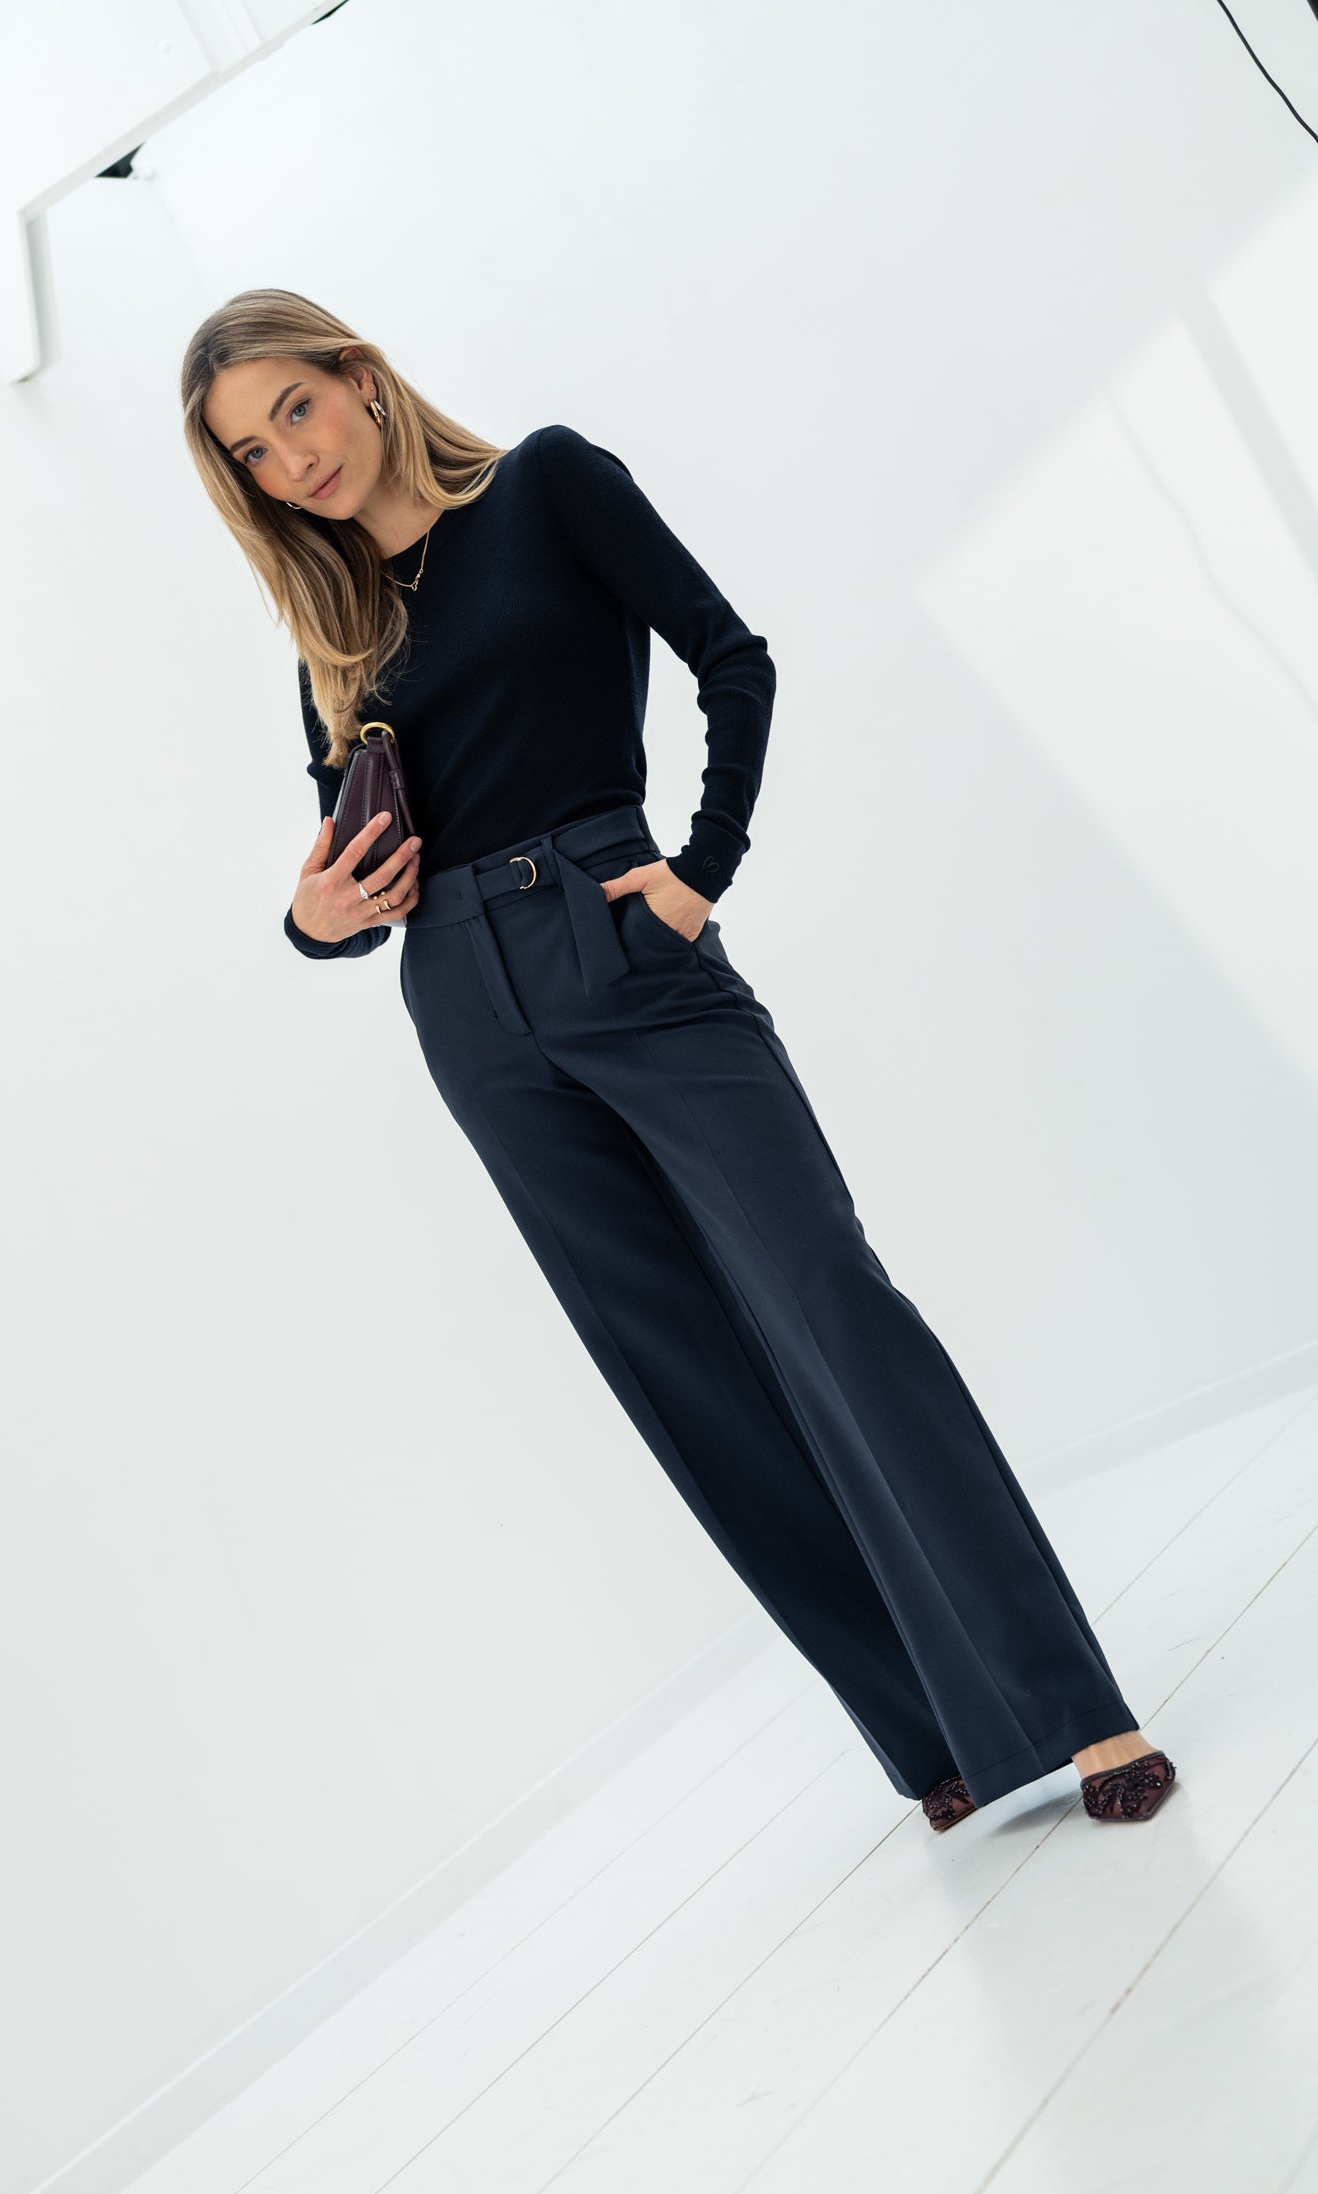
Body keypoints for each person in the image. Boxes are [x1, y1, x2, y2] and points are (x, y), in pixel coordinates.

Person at [180, 286, 1177, 1832]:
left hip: (623, 935)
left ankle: (1074, 1708)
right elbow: (351, 882)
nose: (284, 462)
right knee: (688, 1377)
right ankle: (943, 1741)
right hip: (465, 1004)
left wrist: (702, 865)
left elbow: (733, 657)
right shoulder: (334, 632)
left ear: (359, 380)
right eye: (248, 454)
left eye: (292, 412)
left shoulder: (547, 485)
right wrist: (314, 922)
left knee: (829, 1299)